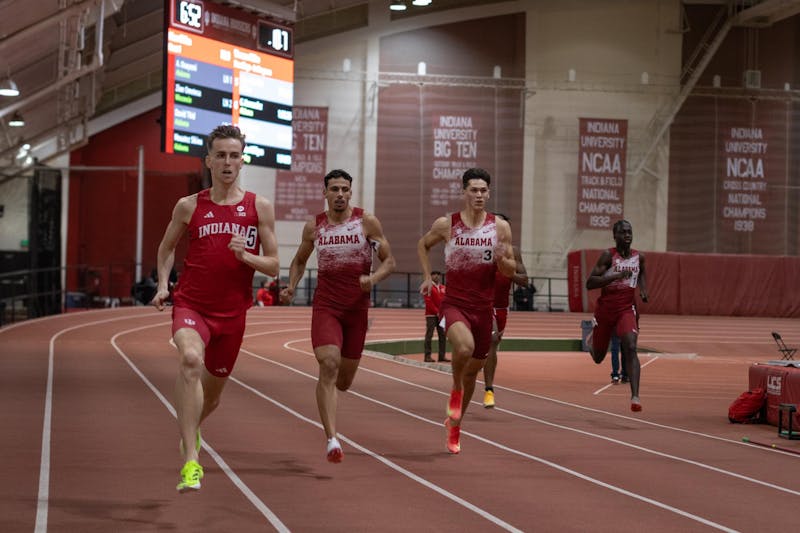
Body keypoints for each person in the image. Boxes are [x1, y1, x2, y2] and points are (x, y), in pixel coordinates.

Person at [151, 124, 279, 492]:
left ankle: (191, 429)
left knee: (212, 396)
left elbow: (274, 265)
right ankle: (191, 460)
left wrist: (246, 256)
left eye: (234, 155)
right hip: (191, 304)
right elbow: (166, 248)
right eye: (220, 155)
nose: (227, 162)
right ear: (208, 161)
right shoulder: (189, 205)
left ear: (242, 161)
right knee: (190, 360)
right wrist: (163, 285)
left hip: (233, 314)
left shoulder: (259, 207)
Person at [280, 169, 395, 463]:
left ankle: (333, 422)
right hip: (326, 307)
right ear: (325, 193)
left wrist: (373, 279)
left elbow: (389, 261)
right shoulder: (314, 227)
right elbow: (299, 261)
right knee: (328, 364)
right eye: (334, 189)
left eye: (345, 189)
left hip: (356, 311)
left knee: (343, 381)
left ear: (351, 193)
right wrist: (291, 285)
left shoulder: (366, 222)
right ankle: (332, 438)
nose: (340, 194)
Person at [418, 168, 515, 454]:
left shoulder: (499, 228)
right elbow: (423, 245)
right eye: (474, 190)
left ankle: (455, 424)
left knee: (474, 371)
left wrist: (502, 260)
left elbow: (511, 269)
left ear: (489, 193)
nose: (479, 195)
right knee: (463, 348)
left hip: (484, 309)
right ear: (464, 192)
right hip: (455, 304)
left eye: (483, 190)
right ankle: (455, 388)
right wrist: (427, 276)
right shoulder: (447, 224)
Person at [585, 219, 648, 411]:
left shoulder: (639, 257)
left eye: (629, 232)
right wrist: (615, 276)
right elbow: (590, 283)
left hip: (626, 309)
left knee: (631, 346)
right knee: (598, 358)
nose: (627, 235)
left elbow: (641, 273)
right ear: (615, 236)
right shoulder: (608, 256)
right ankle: (591, 341)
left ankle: (635, 397)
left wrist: (643, 290)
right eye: (623, 232)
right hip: (606, 310)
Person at [482, 213, 528, 408]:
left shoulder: (513, 251)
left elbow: (524, 280)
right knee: (492, 339)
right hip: (482, 303)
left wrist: (507, 271)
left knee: (491, 346)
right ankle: (489, 390)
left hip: (502, 307)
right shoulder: (481, 247)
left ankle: (481, 376)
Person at [423, 270, 449, 363]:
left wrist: (443, 312)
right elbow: (428, 301)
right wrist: (437, 312)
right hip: (431, 315)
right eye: (434, 274)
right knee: (429, 335)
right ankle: (427, 356)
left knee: (442, 335)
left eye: (438, 274)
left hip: (441, 315)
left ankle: (442, 356)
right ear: (431, 276)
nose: (436, 276)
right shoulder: (427, 287)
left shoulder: (443, 287)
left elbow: (445, 301)